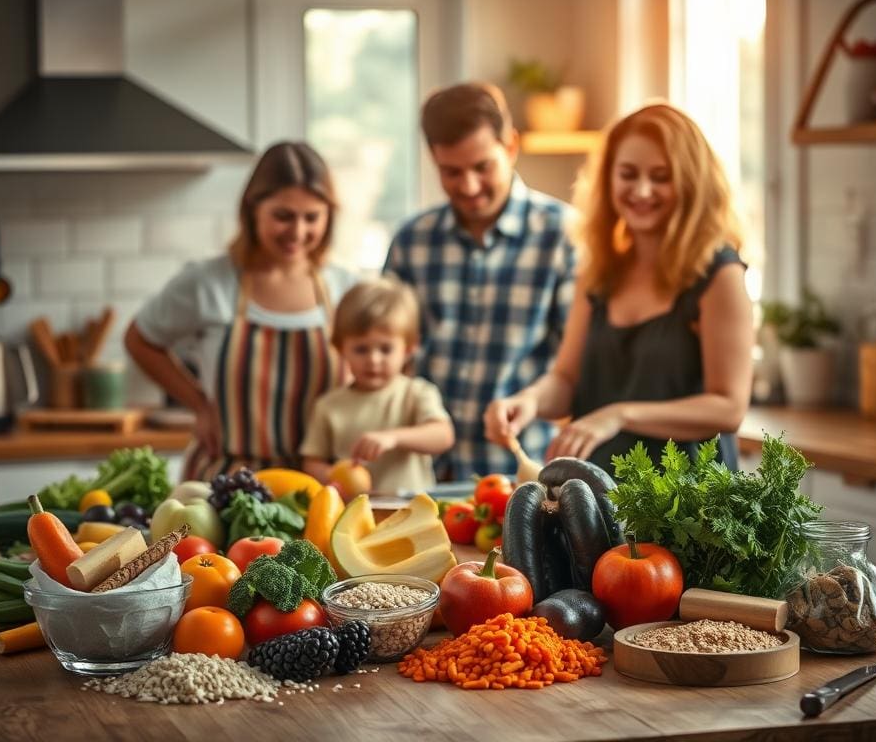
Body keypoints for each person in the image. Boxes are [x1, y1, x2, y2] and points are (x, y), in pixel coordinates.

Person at [484, 102, 754, 474]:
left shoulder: (718, 275)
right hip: (600, 497)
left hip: (688, 504)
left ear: (691, 182)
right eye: (628, 173)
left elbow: (729, 408)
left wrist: (619, 415)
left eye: (661, 176)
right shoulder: (600, 270)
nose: (642, 190)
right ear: (609, 178)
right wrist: (529, 400)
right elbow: (566, 379)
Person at [125, 142, 355, 480]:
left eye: (312, 217)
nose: (298, 232)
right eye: (283, 216)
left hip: (317, 485)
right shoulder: (208, 282)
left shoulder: (344, 289)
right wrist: (199, 405)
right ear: (252, 210)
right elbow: (140, 340)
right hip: (224, 486)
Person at [384, 82, 578, 481]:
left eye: (482, 167)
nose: (468, 187)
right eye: (450, 172)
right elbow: (388, 358)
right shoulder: (411, 241)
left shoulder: (565, 236)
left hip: (523, 477)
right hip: (421, 476)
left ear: (511, 146)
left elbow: (576, 367)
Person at [300, 278, 455, 495]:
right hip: (353, 515)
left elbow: (443, 435)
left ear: (409, 348)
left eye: (385, 349)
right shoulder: (328, 406)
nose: (373, 360)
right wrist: (335, 478)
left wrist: (393, 437)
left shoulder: (417, 393)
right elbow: (312, 463)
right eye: (361, 349)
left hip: (414, 513)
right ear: (340, 348)